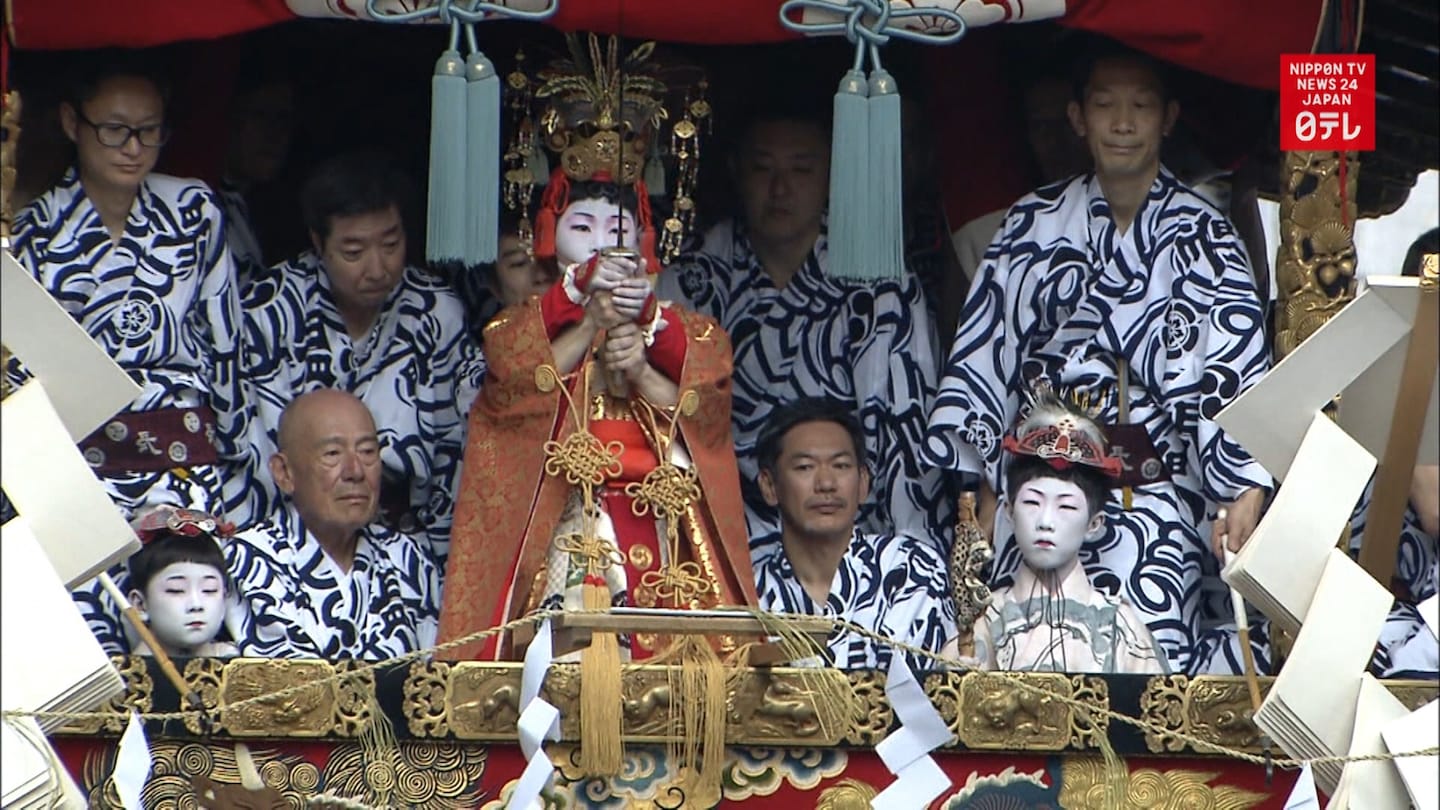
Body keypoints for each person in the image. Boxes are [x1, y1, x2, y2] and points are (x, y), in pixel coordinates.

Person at [924, 41, 1271, 676]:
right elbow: (983, 352)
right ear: (1077, 117)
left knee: (1150, 662)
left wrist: (1241, 484)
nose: (1121, 122)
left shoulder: (1203, 232)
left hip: (1154, 490)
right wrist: (976, 481)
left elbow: (1234, 367)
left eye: (1140, 106)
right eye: (1105, 105)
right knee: (1026, 653)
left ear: (1167, 118)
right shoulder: (1031, 224)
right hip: (1043, 480)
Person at [439, 40, 756, 661]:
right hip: (566, 535)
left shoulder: (687, 332)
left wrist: (640, 351)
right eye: (581, 228)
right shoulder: (524, 328)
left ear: (646, 241)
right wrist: (583, 324)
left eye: (620, 231)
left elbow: (703, 408)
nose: (602, 246)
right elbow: (515, 390)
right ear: (552, 239)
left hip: (665, 534)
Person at [6, 55, 242, 655]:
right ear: (70, 122)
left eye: (149, 130)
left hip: (181, 455)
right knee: (90, 626)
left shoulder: (194, 211)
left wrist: (239, 457)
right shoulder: (33, 228)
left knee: (192, 617)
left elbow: (225, 341)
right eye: (114, 129)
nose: (133, 147)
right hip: (77, 462)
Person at [658, 104, 949, 551]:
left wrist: (904, 553)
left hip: (857, 530)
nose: (780, 188)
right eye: (762, 168)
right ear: (736, 170)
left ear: (833, 173)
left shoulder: (879, 281)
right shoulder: (694, 277)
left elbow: (905, 431)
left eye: (802, 169)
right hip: (722, 528)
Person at [221, 151, 484, 569]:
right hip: (289, 540)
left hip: (405, 546)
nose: (377, 267)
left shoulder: (436, 311)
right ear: (317, 242)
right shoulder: (270, 311)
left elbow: (456, 451)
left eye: (391, 244)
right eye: (354, 251)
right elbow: (253, 448)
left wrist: (450, 565)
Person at [226, 389, 441, 659]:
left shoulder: (408, 558)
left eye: (367, 452)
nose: (355, 471)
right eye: (332, 453)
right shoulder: (246, 559)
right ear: (284, 472)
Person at [751, 397, 958, 671]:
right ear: (769, 486)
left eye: (841, 466)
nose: (826, 484)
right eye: (805, 467)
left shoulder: (910, 569)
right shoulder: (751, 594)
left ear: (863, 483)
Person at [970, 392, 1167, 674]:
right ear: (1010, 513)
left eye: (1066, 506)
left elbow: (1154, 713)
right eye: (1032, 503)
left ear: (1094, 523)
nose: (1046, 522)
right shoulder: (987, 620)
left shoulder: (1120, 626)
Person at [125, 506, 240, 659]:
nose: (196, 605)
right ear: (140, 604)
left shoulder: (236, 664)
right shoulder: (126, 675)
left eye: (209, 590)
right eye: (176, 590)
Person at [219, 65, 295, 282]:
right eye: (260, 116)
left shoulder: (277, 212)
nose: (274, 133)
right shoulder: (201, 207)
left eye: (283, 120)